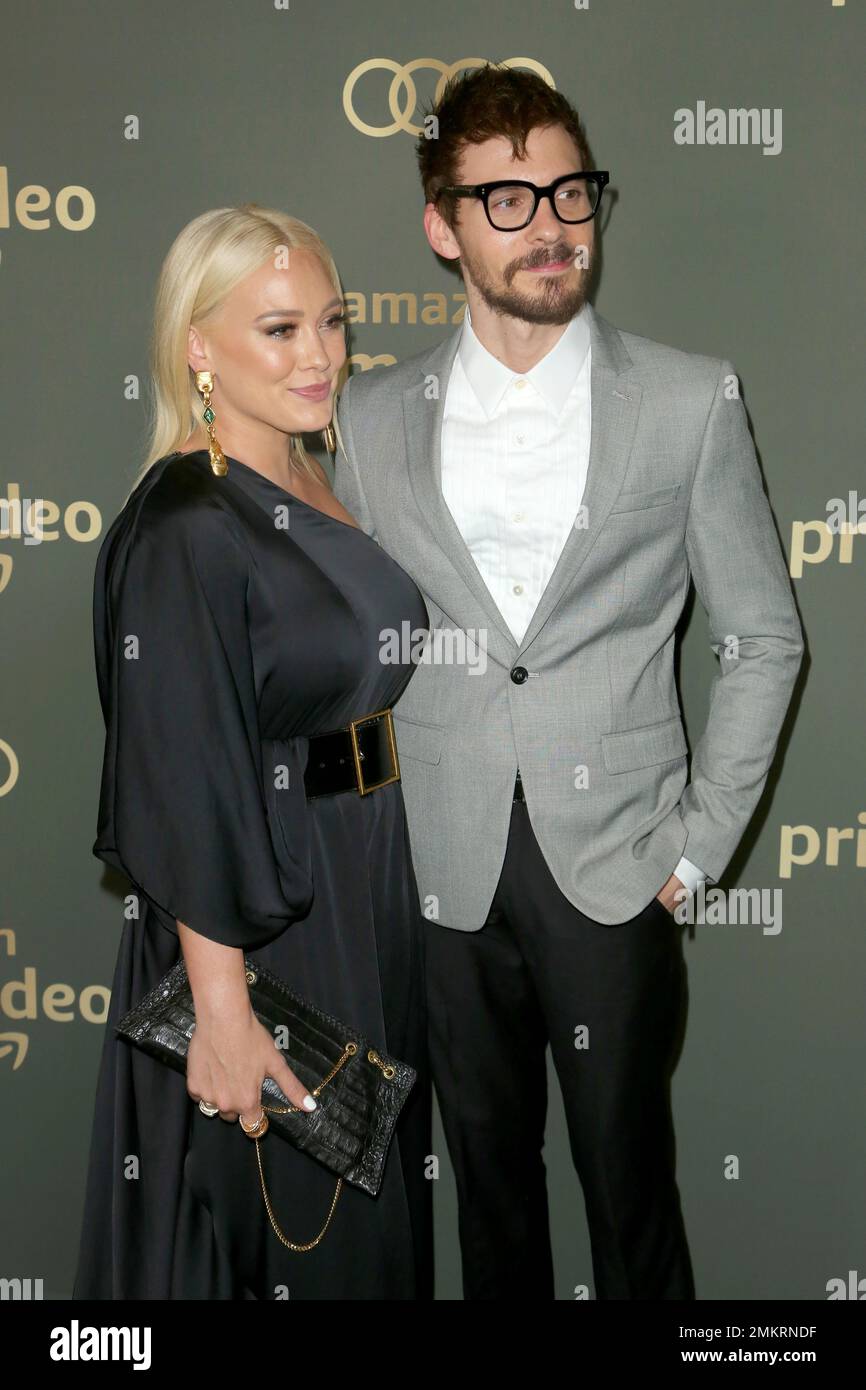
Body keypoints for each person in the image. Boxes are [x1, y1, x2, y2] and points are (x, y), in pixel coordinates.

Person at [333, 65, 804, 1299]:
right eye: (504, 201)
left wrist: (696, 852)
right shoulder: (370, 418)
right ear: (440, 226)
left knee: (629, 1192)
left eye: (567, 192)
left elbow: (762, 635)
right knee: (486, 1195)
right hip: (438, 865)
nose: (548, 225)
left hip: (616, 863)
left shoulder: (686, 401)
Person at [72, 204, 433, 1300]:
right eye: (277, 330)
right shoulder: (188, 518)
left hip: (361, 882)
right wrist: (221, 1015)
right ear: (196, 347)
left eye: (330, 322)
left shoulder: (314, 477)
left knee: (364, 1226)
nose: (319, 355)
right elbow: (185, 783)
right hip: (270, 918)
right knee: (292, 1237)